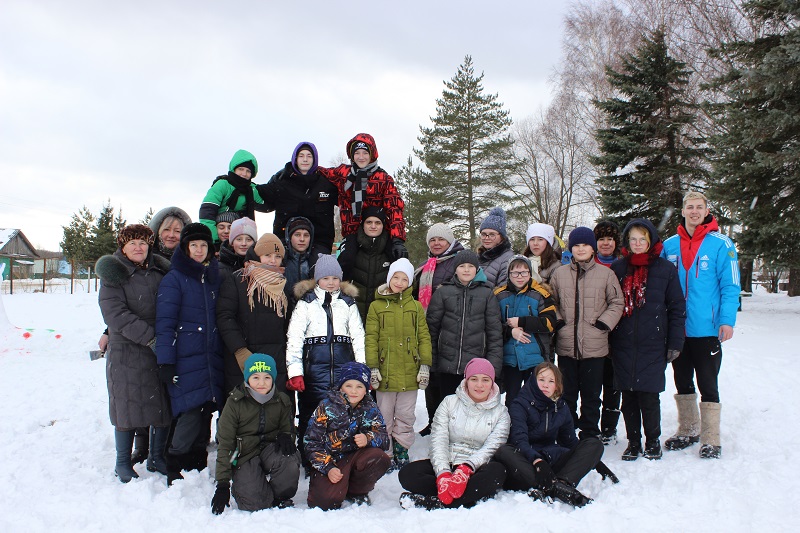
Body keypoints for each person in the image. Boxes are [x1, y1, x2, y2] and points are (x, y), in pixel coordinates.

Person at [661, 191, 739, 459]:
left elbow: (730, 286)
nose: (694, 211)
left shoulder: (721, 244)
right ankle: (688, 429)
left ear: (706, 211)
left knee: (708, 382)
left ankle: (710, 438)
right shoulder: (669, 246)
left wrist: (727, 320)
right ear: (682, 211)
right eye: (689, 207)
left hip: (707, 329)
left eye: (699, 207)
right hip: (677, 329)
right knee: (682, 380)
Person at [95, 224, 172, 482]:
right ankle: (122, 462)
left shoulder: (159, 271)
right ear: (123, 247)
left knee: (160, 404)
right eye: (132, 243)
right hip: (127, 349)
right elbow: (116, 314)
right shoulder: (114, 275)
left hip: (157, 347)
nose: (138, 247)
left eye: (142, 242)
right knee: (126, 406)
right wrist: (150, 337)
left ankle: (156, 457)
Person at [610, 219, 686, 461]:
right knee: (628, 397)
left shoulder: (665, 269)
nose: (638, 243)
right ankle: (634, 442)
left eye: (642, 239)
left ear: (651, 240)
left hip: (653, 342)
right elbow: (610, 304)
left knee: (649, 396)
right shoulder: (618, 269)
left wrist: (675, 342)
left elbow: (676, 307)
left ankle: (652, 440)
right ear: (627, 242)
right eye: (633, 239)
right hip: (623, 342)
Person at [155, 223, 224, 484]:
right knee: (189, 409)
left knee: (206, 408)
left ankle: (196, 460)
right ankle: (175, 460)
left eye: (203, 245)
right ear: (185, 248)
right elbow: (165, 323)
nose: (198, 250)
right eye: (194, 245)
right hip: (186, 357)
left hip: (210, 356)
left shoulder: (213, 277)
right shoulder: (174, 279)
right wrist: (166, 361)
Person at [398, 358, 509, 510]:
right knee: (407, 474)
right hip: (448, 461)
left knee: (497, 472)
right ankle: (466, 497)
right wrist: (443, 473)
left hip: (475, 469)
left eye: (485, 380)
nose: (479, 385)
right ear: (466, 380)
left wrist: (466, 468)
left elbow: (492, 446)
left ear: (492, 382)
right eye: (474, 379)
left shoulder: (501, 412)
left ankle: (438, 503)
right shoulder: (449, 402)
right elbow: (438, 439)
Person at [286, 254, 366, 464]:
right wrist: (296, 372)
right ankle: (308, 457)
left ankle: (338, 456)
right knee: (311, 416)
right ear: (317, 279)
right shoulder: (306, 303)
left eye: (335, 278)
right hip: (314, 373)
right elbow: (294, 338)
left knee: (341, 414)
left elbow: (358, 337)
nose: (330, 282)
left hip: (343, 370)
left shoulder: (348, 304)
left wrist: (361, 371)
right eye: (325, 278)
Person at [549, 227, 623, 440]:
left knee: (591, 395)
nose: (581, 249)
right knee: (567, 393)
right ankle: (568, 430)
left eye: (585, 245)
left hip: (595, 346)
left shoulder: (606, 274)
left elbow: (617, 302)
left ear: (593, 248)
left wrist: (604, 324)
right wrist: (559, 321)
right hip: (566, 344)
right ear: (571, 248)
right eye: (577, 246)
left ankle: (590, 432)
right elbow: (550, 302)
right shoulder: (560, 274)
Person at [495, 362, 603, 507]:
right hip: (526, 462)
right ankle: (551, 486)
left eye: (551, 381)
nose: (545, 385)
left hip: (550, 460)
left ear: (557, 386)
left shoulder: (561, 407)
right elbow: (519, 440)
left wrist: (594, 459)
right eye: (541, 379)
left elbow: (570, 442)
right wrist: (537, 461)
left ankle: (562, 484)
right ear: (533, 381)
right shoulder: (519, 404)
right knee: (504, 451)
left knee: (594, 443)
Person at [211, 353, 300, 514]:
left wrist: (286, 435)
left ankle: (281, 496)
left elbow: (288, 429)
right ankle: (256, 491)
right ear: (247, 379)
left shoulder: (282, 401)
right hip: (243, 454)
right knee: (255, 504)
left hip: (270, 449)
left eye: (267, 377)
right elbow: (225, 444)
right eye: (256, 377)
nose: (261, 383)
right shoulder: (235, 403)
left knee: (289, 458)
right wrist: (222, 483)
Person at [365, 258, 432, 470]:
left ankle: (402, 448)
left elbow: (424, 336)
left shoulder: (415, 306)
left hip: (409, 371)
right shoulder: (376, 306)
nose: (400, 282)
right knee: (384, 414)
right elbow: (370, 337)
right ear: (389, 278)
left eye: (405, 279)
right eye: (396, 277)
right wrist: (373, 366)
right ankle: (386, 451)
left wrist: (424, 364)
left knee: (406, 413)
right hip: (385, 370)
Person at [304, 361, 391, 510]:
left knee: (379, 458)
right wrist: (328, 467)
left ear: (366, 389)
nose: (354, 391)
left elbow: (383, 437)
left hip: (355, 458)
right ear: (340, 386)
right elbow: (311, 443)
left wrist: (368, 438)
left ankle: (356, 491)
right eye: (348, 386)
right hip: (330, 461)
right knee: (324, 503)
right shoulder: (326, 406)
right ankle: (334, 486)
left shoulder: (370, 407)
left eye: (359, 386)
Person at [426, 250, 503, 404]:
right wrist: (431, 364)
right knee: (443, 405)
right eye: (462, 266)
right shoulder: (443, 292)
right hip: (445, 365)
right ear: (455, 269)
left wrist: (492, 368)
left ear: (477, 269)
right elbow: (431, 331)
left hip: (475, 368)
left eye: (470, 266)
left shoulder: (487, 294)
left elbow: (494, 334)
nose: (466, 270)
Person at [217, 233, 289, 398]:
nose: (272, 260)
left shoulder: (283, 284)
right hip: (244, 361)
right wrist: (240, 350)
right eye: (267, 255)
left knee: (275, 415)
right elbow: (225, 317)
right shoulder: (238, 280)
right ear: (257, 256)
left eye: (278, 256)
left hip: (276, 361)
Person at [319, 133, 408, 262]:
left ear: (372, 154)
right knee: (346, 260)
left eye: (365, 153)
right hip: (352, 231)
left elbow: (394, 208)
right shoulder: (343, 174)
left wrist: (397, 239)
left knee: (398, 259)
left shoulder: (383, 178)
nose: (361, 157)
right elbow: (321, 172)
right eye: (357, 153)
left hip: (377, 230)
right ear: (352, 155)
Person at [413, 222, 466, 436]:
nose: (436, 243)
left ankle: (450, 424)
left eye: (440, 239)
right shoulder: (427, 265)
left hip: (450, 329)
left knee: (448, 379)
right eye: (432, 239)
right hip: (428, 328)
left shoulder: (458, 262)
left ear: (450, 241)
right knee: (431, 376)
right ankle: (434, 421)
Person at [493, 255, 557, 406]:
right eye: (515, 273)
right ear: (508, 274)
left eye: (524, 272)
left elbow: (549, 323)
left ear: (530, 273)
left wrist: (522, 322)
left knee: (535, 398)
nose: (519, 276)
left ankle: (533, 428)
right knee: (512, 398)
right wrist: (510, 331)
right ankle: (514, 427)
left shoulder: (541, 294)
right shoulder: (499, 295)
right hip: (510, 359)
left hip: (535, 358)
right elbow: (492, 324)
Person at [257, 142, 338, 256]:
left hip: (319, 243)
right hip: (285, 242)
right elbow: (258, 195)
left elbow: (347, 199)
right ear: (295, 159)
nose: (305, 159)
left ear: (315, 159)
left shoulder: (326, 184)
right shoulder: (282, 182)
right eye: (301, 156)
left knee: (320, 271)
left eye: (309, 156)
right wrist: (237, 183)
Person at [593, 220, 623, 444]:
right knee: (592, 382)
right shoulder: (587, 262)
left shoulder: (622, 265)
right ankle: (589, 426)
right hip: (592, 331)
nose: (605, 243)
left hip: (618, 332)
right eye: (601, 239)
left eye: (609, 239)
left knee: (613, 383)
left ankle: (609, 428)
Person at [199, 149, 268, 243]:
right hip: (218, 233)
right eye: (241, 169)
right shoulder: (222, 185)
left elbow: (266, 204)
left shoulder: (251, 190)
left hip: (238, 238)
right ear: (234, 169)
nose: (244, 174)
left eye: (248, 171)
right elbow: (206, 213)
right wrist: (214, 240)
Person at [342, 206, 393, 322]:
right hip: (353, 316)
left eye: (378, 223)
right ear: (363, 224)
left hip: (382, 318)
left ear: (383, 225)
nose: (373, 226)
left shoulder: (391, 251)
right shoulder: (352, 250)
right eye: (369, 222)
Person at [282, 216, 318, 314]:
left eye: (306, 235)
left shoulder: (316, 262)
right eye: (297, 235)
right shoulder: (281, 261)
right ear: (289, 237)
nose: (302, 239)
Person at [477, 207, 514, 288]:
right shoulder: (479, 257)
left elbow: (504, 290)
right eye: (483, 234)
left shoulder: (507, 259)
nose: (487, 238)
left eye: (492, 234)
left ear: (501, 236)